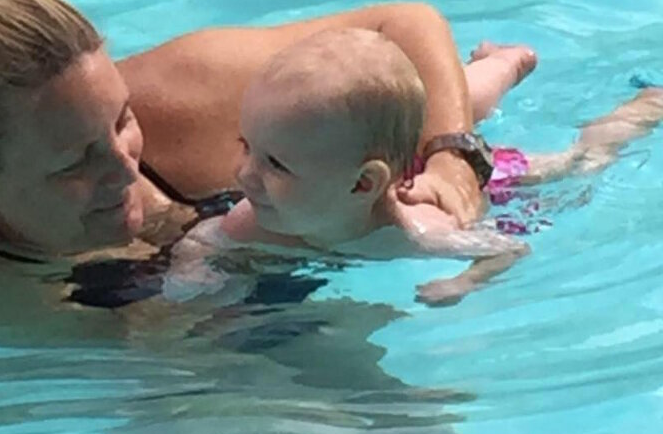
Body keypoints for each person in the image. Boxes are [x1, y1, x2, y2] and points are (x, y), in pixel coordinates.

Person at [0, 0, 496, 271]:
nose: (121, 166)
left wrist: (456, 162)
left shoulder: (181, 94)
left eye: (119, 120)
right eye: (76, 162)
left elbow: (404, 24)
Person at [168, 29, 663, 305]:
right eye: (246, 146)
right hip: (411, 153)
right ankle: (502, 63)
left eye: (274, 164)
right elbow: (200, 242)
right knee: (456, 106)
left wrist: (461, 283)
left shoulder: (417, 233)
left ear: (364, 184)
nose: (244, 175)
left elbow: (508, 247)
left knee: (580, 163)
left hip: (488, 182)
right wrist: (193, 275)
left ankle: (638, 109)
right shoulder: (254, 219)